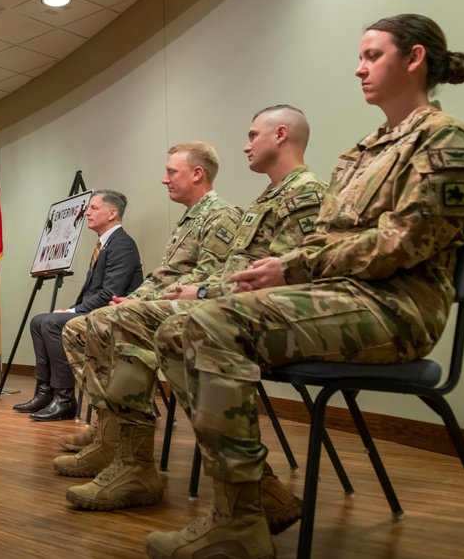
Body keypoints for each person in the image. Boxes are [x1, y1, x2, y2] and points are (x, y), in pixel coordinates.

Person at [146, 14, 464, 559]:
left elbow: (405, 242)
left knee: (210, 323)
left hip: (398, 309)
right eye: (361, 57)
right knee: (175, 329)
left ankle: (237, 524)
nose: (359, 68)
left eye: (373, 55)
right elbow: (326, 242)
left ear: (416, 58)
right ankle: (258, 495)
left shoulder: (447, 142)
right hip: (344, 298)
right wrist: (281, 268)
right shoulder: (362, 153)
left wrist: (293, 269)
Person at [59, 109, 326, 532]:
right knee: (93, 322)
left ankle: (147, 465)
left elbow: (278, 274)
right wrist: (150, 296)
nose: (246, 143)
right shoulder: (261, 202)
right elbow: (193, 276)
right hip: (231, 309)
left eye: (253, 134)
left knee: (133, 323)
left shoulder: (279, 200)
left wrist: (197, 294)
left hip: (260, 317)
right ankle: (119, 444)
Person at [56, 142, 242, 489]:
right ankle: (107, 433)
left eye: (172, 171)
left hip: (196, 314)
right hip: (165, 307)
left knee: (109, 322)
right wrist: (132, 299)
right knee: (77, 328)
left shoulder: (222, 216)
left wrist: (138, 305)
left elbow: (208, 278)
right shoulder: (188, 221)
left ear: (197, 173)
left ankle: (134, 459)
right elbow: (163, 276)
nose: (164, 179)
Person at [13, 190, 143, 421]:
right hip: (97, 312)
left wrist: (72, 311)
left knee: (53, 324)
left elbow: (110, 293)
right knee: (38, 321)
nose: (87, 212)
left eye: (94, 208)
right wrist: (73, 308)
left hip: (116, 316)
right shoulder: (105, 244)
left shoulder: (122, 244)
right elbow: (95, 293)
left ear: (112, 213)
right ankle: (45, 392)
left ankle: (65, 400)